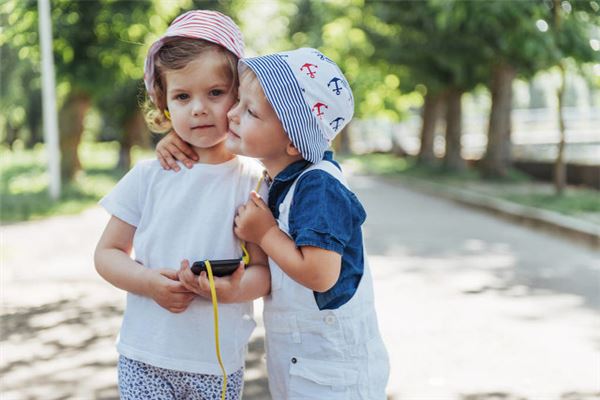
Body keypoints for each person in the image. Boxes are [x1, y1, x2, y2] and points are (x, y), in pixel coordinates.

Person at [158, 48, 390, 399]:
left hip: (335, 372)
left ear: (295, 141)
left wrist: (264, 233)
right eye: (237, 102)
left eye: (249, 111)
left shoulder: (319, 186)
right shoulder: (274, 178)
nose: (232, 115)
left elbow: (321, 273)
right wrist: (174, 137)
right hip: (300, 362)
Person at [94, 10, 269, 400]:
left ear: (240, 96)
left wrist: (228, 290)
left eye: (215, 93)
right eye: (182, 96)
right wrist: (148, 283)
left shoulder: (253, 181)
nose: (198, 109)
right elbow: (107, 253)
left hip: (216, 364)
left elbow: (263, 273)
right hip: (144, 355)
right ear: (164, 102)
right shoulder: (149, 175)